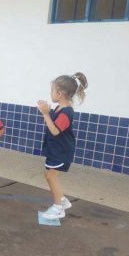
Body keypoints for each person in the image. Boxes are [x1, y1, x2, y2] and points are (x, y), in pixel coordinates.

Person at [37, 72, 88, 219]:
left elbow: (55, 131)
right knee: (48, 174)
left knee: (51, 176)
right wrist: (45, 111)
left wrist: (46, 114)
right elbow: (53, 122)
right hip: (55, 150)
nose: (50, 94)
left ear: (59, 93)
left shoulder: (66, 112)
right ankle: (62, 200)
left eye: (52, 91)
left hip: (62, 152)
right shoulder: (59, 108)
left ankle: (58, 208)